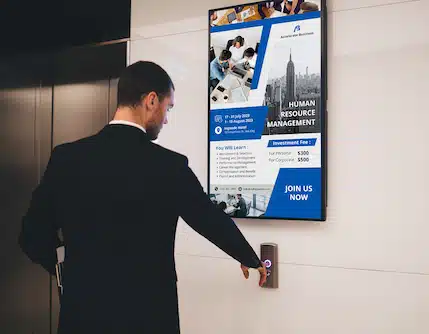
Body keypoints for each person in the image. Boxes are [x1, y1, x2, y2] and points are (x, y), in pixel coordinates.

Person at [18, 61, 266, 334]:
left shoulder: (66, 158)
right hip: (149, 318)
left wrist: (68, 272)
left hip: (82, 316)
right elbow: (208, 218)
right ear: (151, 100)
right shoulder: (169, 166)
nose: (166, 118)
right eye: (167, 107)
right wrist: (248, 257)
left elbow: (32, 235)